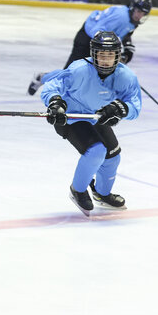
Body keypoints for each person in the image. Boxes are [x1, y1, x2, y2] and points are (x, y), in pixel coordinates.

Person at [40, 31, 142, 216]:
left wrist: (120, 109)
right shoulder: (79, 69)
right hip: (70, 117)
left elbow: (135, 106)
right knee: (96, 151)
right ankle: (78, 190)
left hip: (96, 116)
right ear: (93, 54)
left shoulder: (126, 77)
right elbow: (52, 86)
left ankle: (102, 194)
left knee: (113, 156)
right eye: (101, 55)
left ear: (118, 56)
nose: (105, 60)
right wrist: (55, 103)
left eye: (110, 56)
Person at [27, 0, 151, 96]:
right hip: (86, 39)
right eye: (138, 11)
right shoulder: (120, 17)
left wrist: (125, 51)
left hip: (97, 43)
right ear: (132, 7)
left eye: (143, 13)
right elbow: (96, 30)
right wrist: (109, 48)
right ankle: (42, 78)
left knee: (92, 74)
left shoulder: (131, 20)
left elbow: (124, 34)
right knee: (70, 74)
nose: (139, 15)